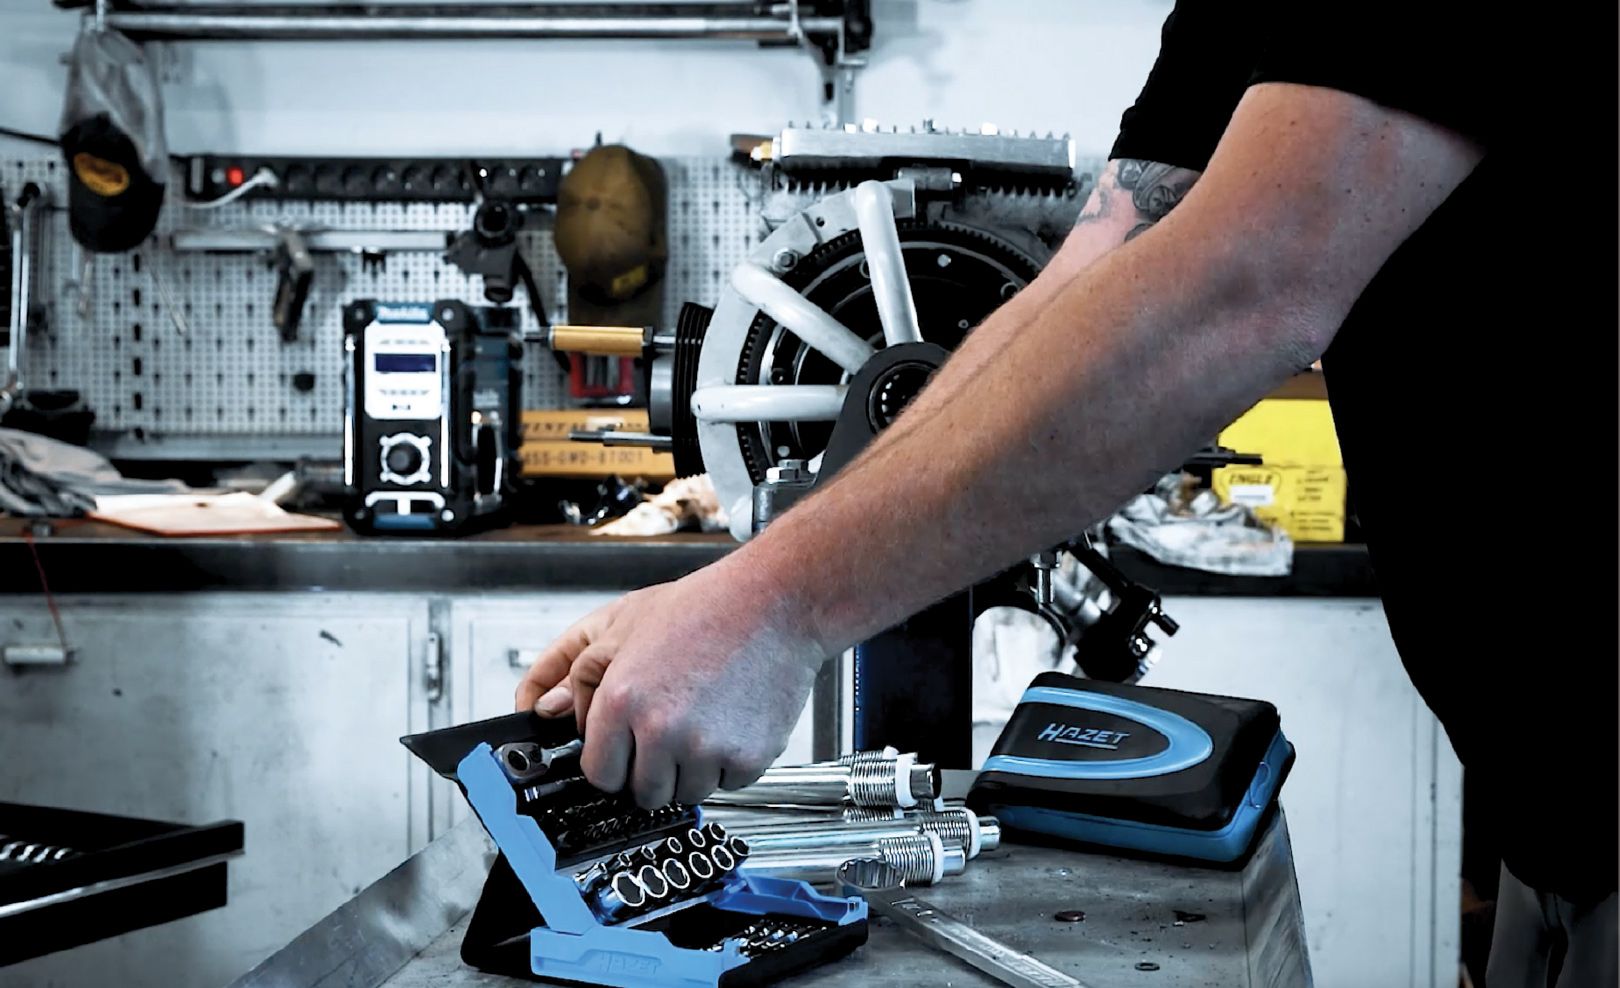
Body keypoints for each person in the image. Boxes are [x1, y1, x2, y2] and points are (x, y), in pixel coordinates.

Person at [517, 4, 1615, 984]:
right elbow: (1099, 267)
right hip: (1553, 829)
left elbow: (1243, 285)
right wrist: (738, 597)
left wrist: (773, 608)